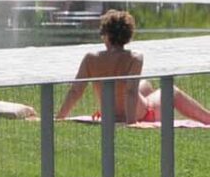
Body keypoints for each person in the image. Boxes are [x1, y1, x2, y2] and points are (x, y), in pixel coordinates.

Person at [60, 10, 210, 126]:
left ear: (106, 35)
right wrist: (131, 123)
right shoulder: (134, 57)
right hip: (142, 115)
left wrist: (59, 118)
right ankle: (207, 118)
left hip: (109, 114)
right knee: (171, 91)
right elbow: (130, 91)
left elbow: (75, 91)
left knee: (145, 84)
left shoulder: (90, 58)